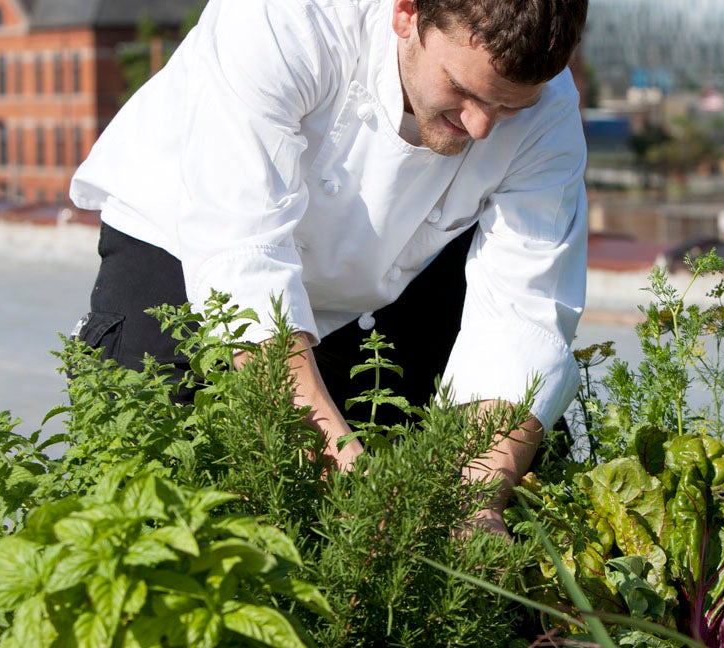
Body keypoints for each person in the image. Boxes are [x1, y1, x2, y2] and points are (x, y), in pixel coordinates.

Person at [69, 0, 589, 534]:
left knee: (367, 513)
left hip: (375, 286)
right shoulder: (286, 16)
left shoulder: (549, 114)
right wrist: (348, 476)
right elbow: (242, 256)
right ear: (407, 12)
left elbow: (523, 316)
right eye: (463, 89)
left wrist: (474, 502)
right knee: (139, 490)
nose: (481, 128)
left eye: (508, 109)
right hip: (177, 243)